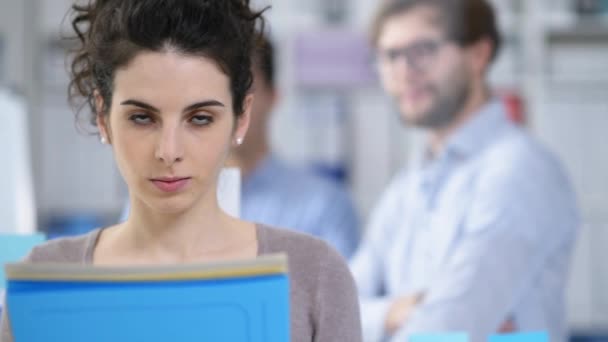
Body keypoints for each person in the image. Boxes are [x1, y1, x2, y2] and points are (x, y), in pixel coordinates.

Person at [0, 1, 362, 342]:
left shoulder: (313, 276)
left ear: (242, 117)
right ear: (102, 115)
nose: (169, 151)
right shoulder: (46, 280)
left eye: (200, 119)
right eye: (142, 118)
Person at [349, 1, 580, 341]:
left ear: (478, 55)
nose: (403, 71)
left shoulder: (519, 172)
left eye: (422, 50)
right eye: (389, 56)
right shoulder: (408, 183)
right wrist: (389, 314)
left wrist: (380, 319)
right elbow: (336, 303)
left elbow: (446, 329)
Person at [228, 36, 360, 258]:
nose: (227, 103)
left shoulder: (325, 206)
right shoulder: (173, 205)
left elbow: (340, 291)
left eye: (241, 88)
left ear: (273, 97)